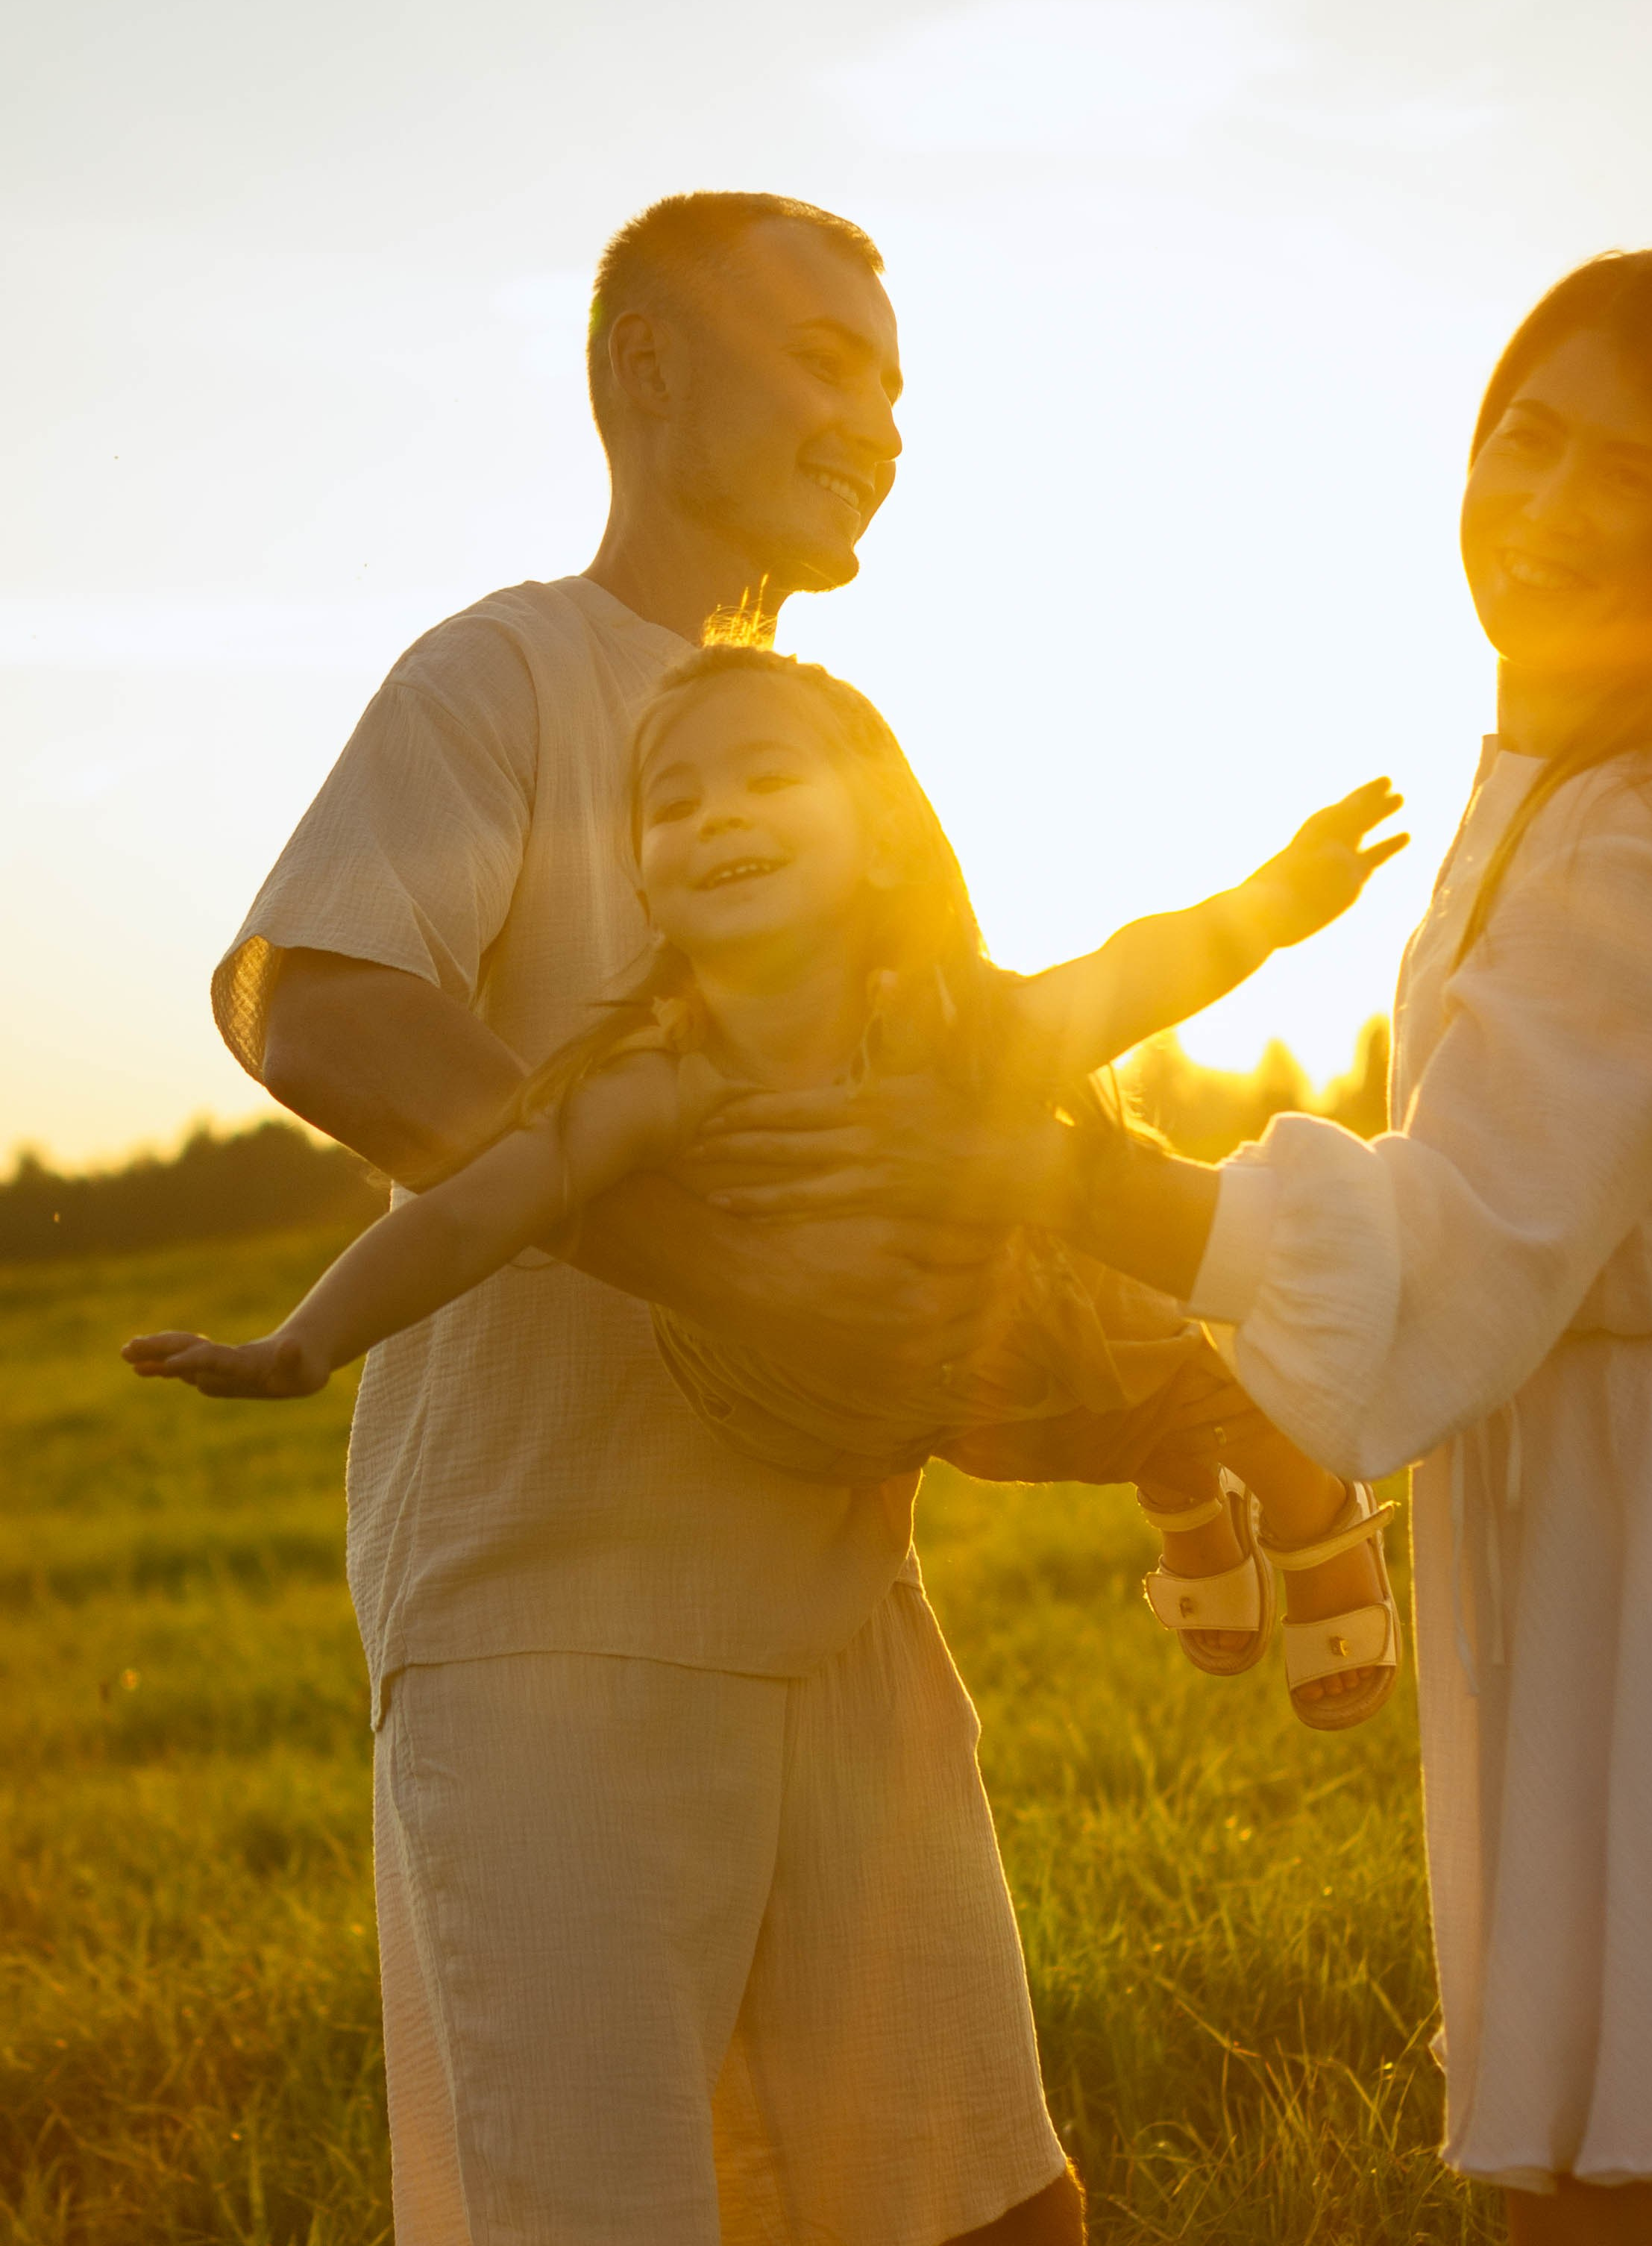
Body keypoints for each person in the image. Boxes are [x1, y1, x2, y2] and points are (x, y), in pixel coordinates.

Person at [708, 250, 1652, 2246]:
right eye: (1522, 430)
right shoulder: (1553, 776)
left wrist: (1078, 1175)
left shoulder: (1643, 834)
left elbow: (1457, 1243)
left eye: (1622, 469)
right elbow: (1448, 1239)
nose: (1540, 497)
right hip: (1625, 1535)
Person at [191, 187, 1111, 2246]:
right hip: (550, 1616)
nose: (871, 415)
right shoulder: (505, 675)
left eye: (891, 378)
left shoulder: (830, 746)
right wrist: (714, 1260)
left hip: (834, 1598)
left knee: (1001, 2232)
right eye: (817, 356)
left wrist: (1165, 1382)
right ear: (642, 383)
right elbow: (306, 990)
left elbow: (968, 1110)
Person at [129, 642, 1410, 1720]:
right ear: (643, 879)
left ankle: (1296, 1497)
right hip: (851, 1410)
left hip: (1009, 1344)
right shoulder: (660, 1080)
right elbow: (472, 1208)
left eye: (768, 779)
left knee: (1174, 1392)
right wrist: (308, 1340)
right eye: (674, 803)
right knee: (1104, 1424)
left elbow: (1129, 977)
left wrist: (1275, 900)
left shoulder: (953, 1024)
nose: (719, 816)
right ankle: (1179, 1481)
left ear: (880, 841)